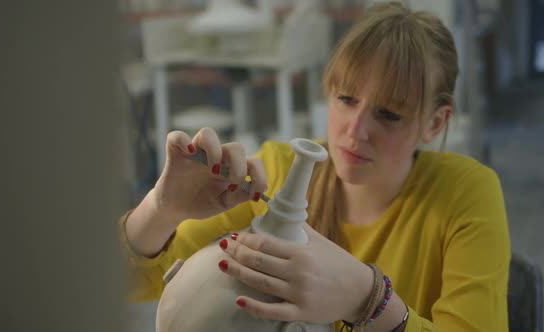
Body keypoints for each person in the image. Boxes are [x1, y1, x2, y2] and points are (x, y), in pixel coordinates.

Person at [120, 2, 510, 331]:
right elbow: (118, 285)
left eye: (389, 114)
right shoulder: (271, 176)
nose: (356, 131)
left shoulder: (465, 193)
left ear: (435, 123)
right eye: (346, 99)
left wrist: (370, 299)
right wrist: (161, 210)